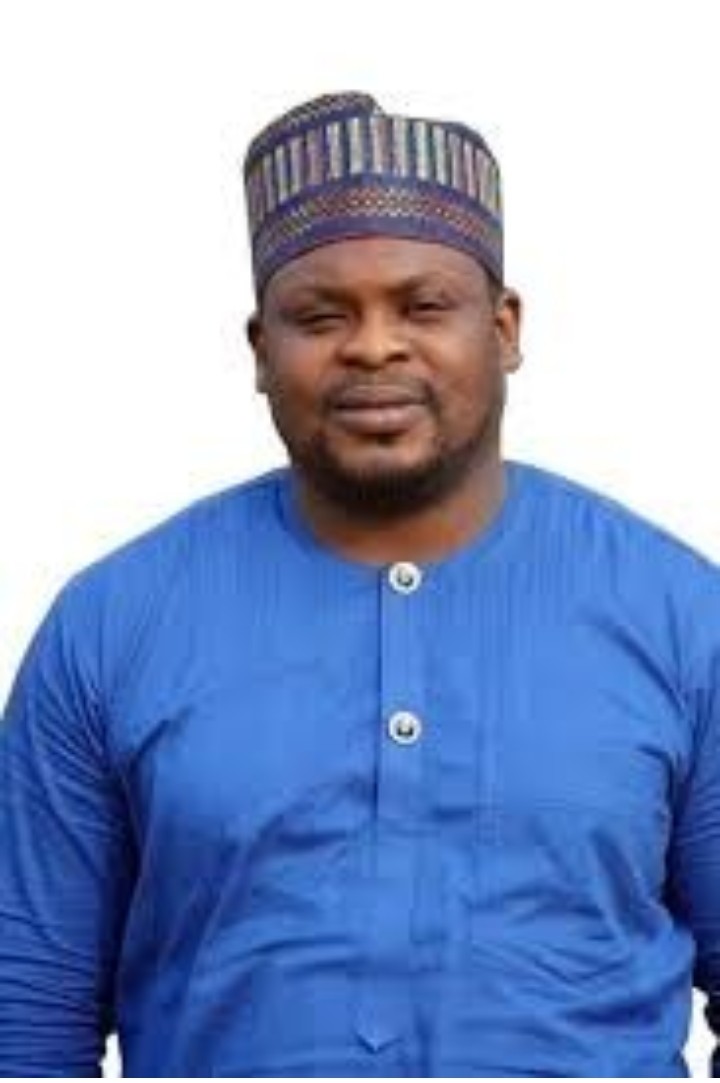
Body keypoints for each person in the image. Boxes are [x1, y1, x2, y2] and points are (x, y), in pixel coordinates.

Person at [1, 90, 719, 1078]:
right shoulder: (111, 626)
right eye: (321, 315)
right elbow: (27, 1021)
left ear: (505, 328)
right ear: (261, 350)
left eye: (423, 307)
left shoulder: (681, 618)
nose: (374, 345)